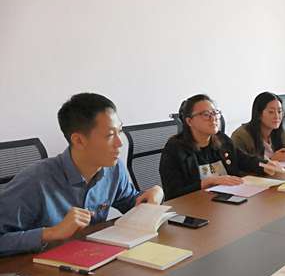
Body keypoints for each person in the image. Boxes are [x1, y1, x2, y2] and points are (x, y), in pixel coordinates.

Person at [0, 93, 164, 257]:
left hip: (90, 259)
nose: (120, 143)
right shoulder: (34, 181)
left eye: (119, 131)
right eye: (110, 135)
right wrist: (52, 232)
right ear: (78, 140)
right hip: (38, 268)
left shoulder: (113, 169)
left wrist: (153, 195)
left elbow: (130, 203)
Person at [159, 94, 281, 200]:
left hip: (226, 203)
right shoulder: (174, 149)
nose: (213, 118)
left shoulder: (222, 140)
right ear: (189, 121)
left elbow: (245, 160)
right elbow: (173, 193)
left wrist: (265, 165)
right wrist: (209, 181)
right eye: (206, 114)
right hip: (195, 207)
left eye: (215, 113)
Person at [231, 92, 285, 162]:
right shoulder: (241, 136)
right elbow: (241, 167)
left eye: (279, 112)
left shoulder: (278, 132)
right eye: (271, 112)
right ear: (259, 114)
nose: (277, 116)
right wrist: (271, 160)